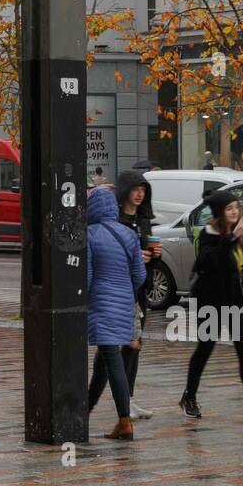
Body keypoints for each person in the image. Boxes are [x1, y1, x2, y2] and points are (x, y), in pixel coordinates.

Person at [178, 189, 243, 425]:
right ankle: (189, 397)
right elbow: (209, 263)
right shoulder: (208, 235)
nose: (234, 212)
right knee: (205, 348)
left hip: (237, 302)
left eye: (236, 208)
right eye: (229, 209)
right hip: (210, 302)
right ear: (220, 213)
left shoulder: (241, 235)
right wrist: (230, 239)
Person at [85, 187, 145, 440]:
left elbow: (86, 277)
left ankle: (124, 421)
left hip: (101, 304)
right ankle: (84, 411)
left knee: (113, 360)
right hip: (123, 305)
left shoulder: (88, 234)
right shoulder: (128, 233)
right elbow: (140, 275)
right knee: (104, 361)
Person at [97, 169, 157, 419]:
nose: (140, 194)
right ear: (124, 191)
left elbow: (144, 262)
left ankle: (128, 399)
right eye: (136, 189)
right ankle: (105, 398)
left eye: (143, 190)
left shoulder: (143, 223)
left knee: (134, 345)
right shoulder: (115, 221)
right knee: (112, 348)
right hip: (118, 292)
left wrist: (153, 257)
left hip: (138, 291)